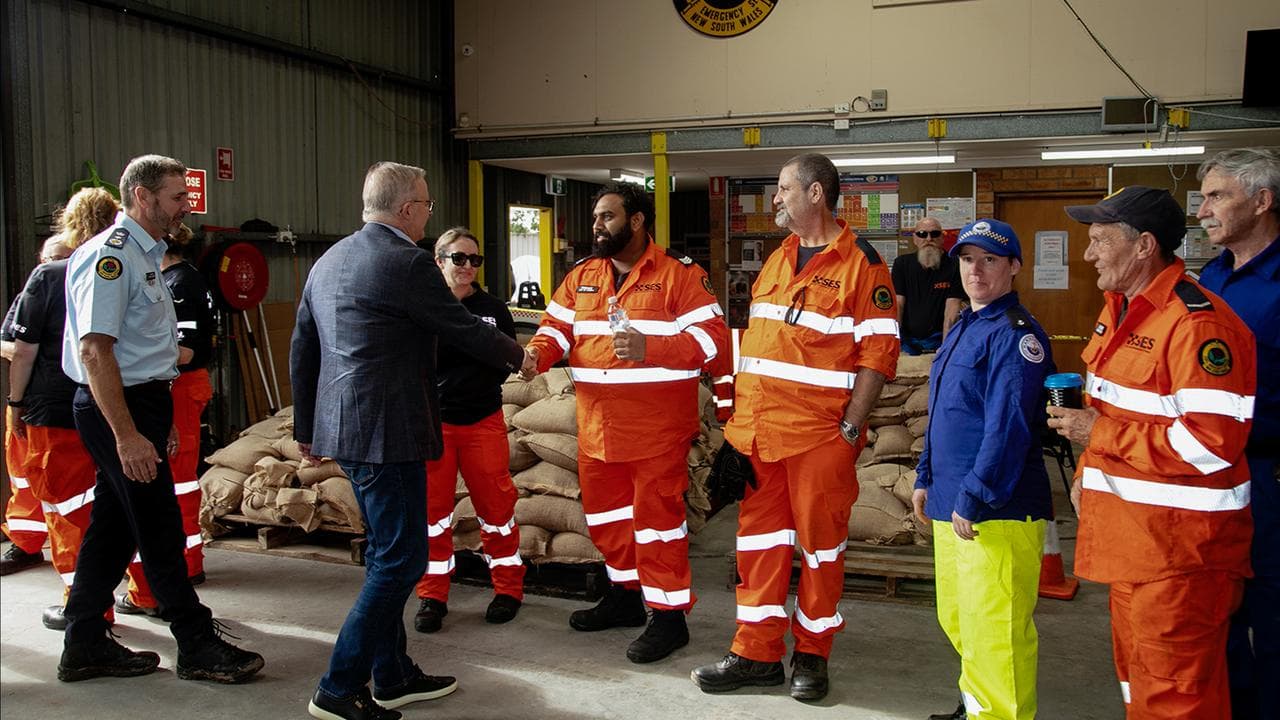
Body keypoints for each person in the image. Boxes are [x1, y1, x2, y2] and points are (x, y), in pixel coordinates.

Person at [291, 161, 531, 720]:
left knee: (384, 553)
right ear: (405, 210)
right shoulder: (406, 262)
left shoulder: (330, 258)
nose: (428, 212)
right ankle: (338, 685)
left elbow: (303, 346)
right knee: (401, 560)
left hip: (346, 430)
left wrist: (308, 428)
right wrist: (521, 355)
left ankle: (393, 675)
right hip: (388, 431)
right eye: (424, 204)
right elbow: (461, 325)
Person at [691, 153, 899, 702]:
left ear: (816, 194)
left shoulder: (863, 265)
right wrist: (737, 433)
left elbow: (878, 356)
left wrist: (850, 431)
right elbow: (760, 352)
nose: (775, 198)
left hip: (819, 440)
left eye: (783, 189)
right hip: (760, 439)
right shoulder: (778, 258)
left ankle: (812, 654)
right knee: (758, 547)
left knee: (821, 553)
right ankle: (755, 655)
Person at [1048, 186, 1256, 719]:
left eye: (1098, 240)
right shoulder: (1119, 311)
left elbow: (1209, 445)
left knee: (1176, 700)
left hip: (1180, 557)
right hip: (1135, 545)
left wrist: (1098, 437)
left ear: (1143, 246)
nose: (1088, 253)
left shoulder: (1196, 325)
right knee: (1140, 689)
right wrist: (1089, 471)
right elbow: (1118, 410)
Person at [60, 154, 263, 684]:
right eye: (177, 197)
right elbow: (96, 352)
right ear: (143, 197)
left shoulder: (147, 256)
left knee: (114, 526)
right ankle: (195, 643)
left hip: (142, 402)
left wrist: (160, 417)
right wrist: (127, 435)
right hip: (115, 407)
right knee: (158, 524)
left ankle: (82, 642)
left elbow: (144, 350)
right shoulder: (112, 257)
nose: (185, 207)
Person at [522, 181, 729, 664]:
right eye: (596, 217)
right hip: (597, 430)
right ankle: (625, 595)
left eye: (608, 217)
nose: (597, 226)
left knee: (659, 528)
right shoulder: (582, 275)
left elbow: (715, 342)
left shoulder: (680, 275)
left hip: (656, 433)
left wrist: (650, 348)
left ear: (636, 221)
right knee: (607, 521)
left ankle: (669, 617)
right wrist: (538, 353)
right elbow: (556, 328)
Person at [912, 219, 1054, 720]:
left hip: (996, 509)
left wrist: (975, 495)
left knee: (997, 633)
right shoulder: (966, 327)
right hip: (953, 501)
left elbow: (1009, 428)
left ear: (1014, 267)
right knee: (961, 620)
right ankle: (976, 706)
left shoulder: (1016, 337)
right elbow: (942, 413)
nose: (976, 269)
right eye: (969, 259)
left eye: (990, 260)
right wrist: (926, 476)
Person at [8, 189, 120, 631]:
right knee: (117, 504)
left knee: (68, 509)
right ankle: (140, 591)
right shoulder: (123, 271)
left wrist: (15, 402)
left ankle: (85, 608)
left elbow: (23, 352)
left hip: (55, 411)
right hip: (112, 406)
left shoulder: (51, 276)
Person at [1195, 148, 1280, 720]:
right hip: (1213, 479)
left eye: (1216, 196)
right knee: (1216, 617)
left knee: (1272, 625)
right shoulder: (1211, 276)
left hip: (1270, 473)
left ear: (1262, 200)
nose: (1202, 210)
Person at [412, 227, 526, 633]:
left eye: (474, 260)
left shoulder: (493, 308)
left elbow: (507, 358)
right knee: (433, 516)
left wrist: (470, 354)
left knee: (496, 511)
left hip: (483, 421)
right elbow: (417, 363)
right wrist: (475, 350)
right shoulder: (424, 306)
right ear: (438, 261)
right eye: (459, 258)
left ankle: (509, 589)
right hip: (435, 424)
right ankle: (432, 596)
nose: (467, 267)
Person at [117, 223, 215, 616]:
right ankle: (186, 560)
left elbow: (186, 351)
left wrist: (133, 357)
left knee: (173, 479)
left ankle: (180, 566)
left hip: (180, 387)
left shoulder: (179, 284)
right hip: (180, 386)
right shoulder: (184, 278)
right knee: (180, 479)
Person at [2, 236, 74, 576]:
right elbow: (9, 343)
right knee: (23, 477)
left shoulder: (81, 294)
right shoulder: (30, 293)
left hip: (58, 402)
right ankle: (26, 542)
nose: (54, 265)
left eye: (63, 257)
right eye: (50, 259)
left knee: (66, 487)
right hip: (31, 400)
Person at [892, 216, 965, 355]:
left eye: (935, 233)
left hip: (939, 339)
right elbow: (898, 304)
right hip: (908, 341)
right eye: (922, 234)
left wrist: (946, 349)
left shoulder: (955, 265)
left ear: (942, 238)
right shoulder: (902, 264)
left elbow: (952, 309)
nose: (928, 239)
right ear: (914, 238)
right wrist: (894, 342)